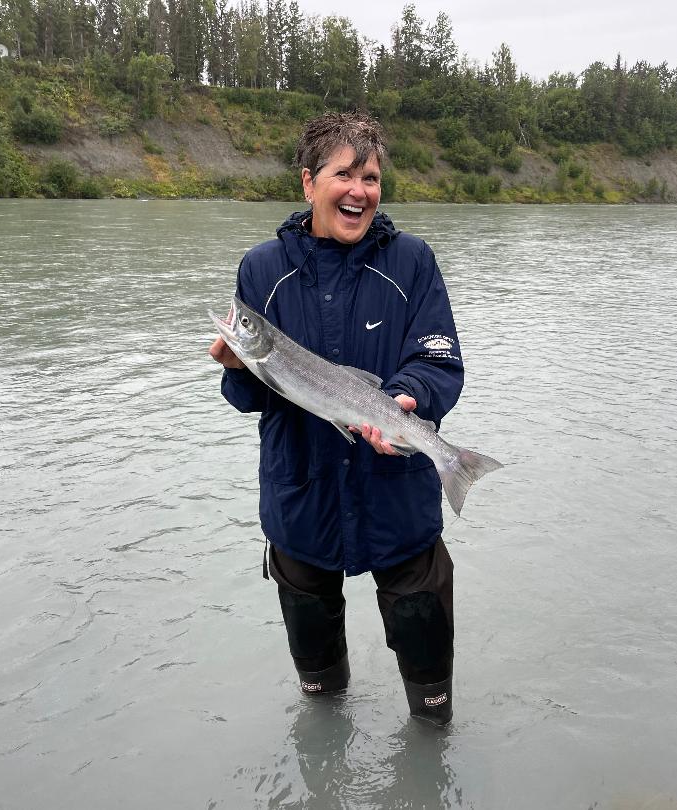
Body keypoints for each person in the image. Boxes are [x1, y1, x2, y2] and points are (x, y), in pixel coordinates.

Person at [208, 112, 463, 726]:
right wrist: (240, 367)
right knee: (320, 696)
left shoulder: (413, 262)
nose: (359, 190)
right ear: (308, 183)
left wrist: (406, 400)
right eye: (343, 174)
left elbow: (439, 362)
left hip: (398, 501)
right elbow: (249, 400)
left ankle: (429, 742)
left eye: (370, 176)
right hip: (302, 503)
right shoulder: (262, 270)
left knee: (431, 702)